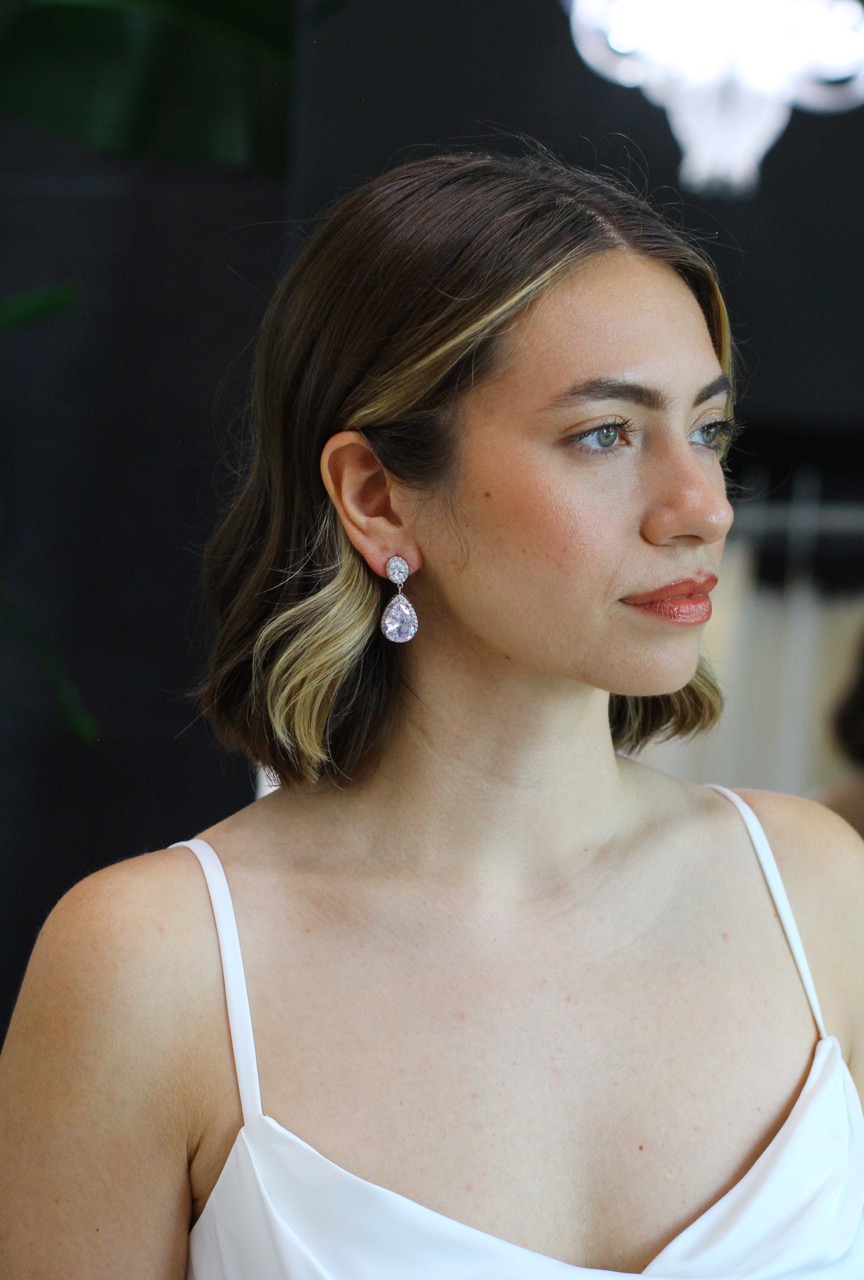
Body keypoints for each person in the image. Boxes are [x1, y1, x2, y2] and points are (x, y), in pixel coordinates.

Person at [1, 149, 863, 1279]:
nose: (702, 506)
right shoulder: (154, 965)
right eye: (606, 433)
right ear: (377, 494)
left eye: (706, 430)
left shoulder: (815, 888)